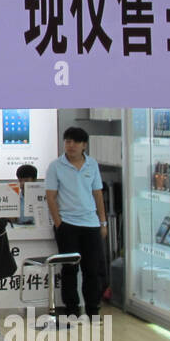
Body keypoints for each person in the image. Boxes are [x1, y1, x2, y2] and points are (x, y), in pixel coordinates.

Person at [45, 127, 108, 318]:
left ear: (84, 145)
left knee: (92, 269)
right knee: (70, 269)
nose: (70, 145)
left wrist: (102, 222)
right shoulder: (56, 166)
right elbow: (51, 196)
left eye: (75, 142)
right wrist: (59, 223)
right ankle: (72, 309)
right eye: (67, 141)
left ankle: (92, 309)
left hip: (91, 224)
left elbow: (97, 194)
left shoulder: (92, 165)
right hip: (68, 225)